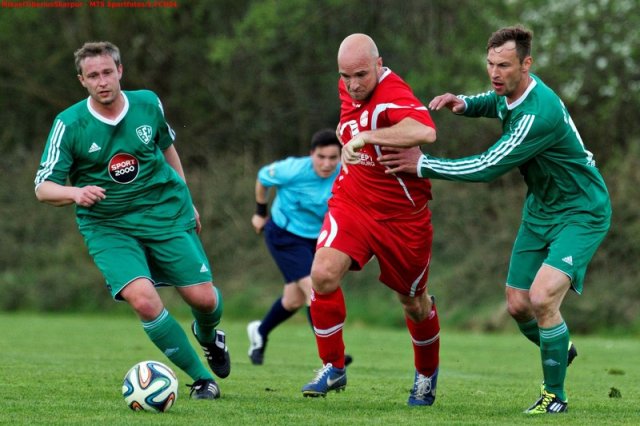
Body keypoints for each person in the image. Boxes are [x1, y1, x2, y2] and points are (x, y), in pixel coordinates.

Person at [379, 25, 611, 414]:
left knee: (542, 298)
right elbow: (497, 101)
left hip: (581, 211)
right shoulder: (511, 91)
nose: (494, 73)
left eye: (504, 66)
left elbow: (487, 166)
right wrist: (466, 104)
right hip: (540, 210)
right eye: (490, 64)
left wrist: (423, 164)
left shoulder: (538, 115)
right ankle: (560, 346)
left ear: (526, 64)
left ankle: (555, 396)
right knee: (518, 304)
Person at [34, 41, 231, 400]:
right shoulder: (69, 124)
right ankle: (203, 380)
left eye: (107, 72)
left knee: (203, 299)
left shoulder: (148, 104)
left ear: (120, 71)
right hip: (108, 226)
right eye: (93, 75)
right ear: (82, 80)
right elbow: (43, 188)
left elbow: (167, 148)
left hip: (164, 212)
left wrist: (187, 200)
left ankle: (208, 337)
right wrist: (75, 192)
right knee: (144, 301)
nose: (102, 81)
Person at [300, 33, 441, 407]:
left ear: (379, 65)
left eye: (361, 75)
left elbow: (425, 130)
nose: (352, 85)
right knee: (322, 274)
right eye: (345, 76)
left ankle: (426, 375)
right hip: (353, 203)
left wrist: (366, 137)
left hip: (402, 218)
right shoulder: (349, 84)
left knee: (414, 303)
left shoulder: (392, 93)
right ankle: (333, 366)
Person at [247, 129, 344, 366]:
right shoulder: (292, 170)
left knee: (293, 301)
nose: (327, 164)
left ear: (341, 156)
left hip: (317, 239)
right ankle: (332, 358)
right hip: (284, 235)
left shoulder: (345, 173)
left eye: (333, 158)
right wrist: (260, 213)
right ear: (312, 154)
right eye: (321, 157)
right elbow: (262, 178)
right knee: (315, 291)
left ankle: (260, 331)